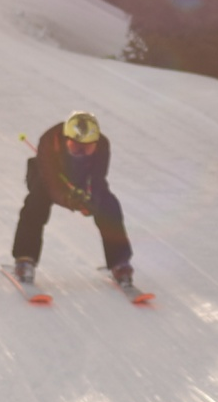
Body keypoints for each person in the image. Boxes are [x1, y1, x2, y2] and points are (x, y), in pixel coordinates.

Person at [12, 111, 133, 287]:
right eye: (76, 148)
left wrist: (91, 202)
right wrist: (68, 200)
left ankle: (119, 263)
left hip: (83, 179)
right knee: (35, 203)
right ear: (65, 140)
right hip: (51, 177)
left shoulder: (103, 145)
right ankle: (25, 259)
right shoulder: (49, 140)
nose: (82, 153)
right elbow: (51, 183)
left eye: (88, 148)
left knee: (109, 206)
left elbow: (97, 178)